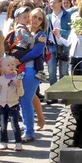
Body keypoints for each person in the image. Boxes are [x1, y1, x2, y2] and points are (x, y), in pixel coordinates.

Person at [18, 8, 47, 142]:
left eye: (39, 18)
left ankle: (29, 132)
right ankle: (40, 120)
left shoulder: (42, 35)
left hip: (32, 70)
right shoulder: (24, 31)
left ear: (42, 22)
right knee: (30, 96)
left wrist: (19, 59)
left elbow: (36, 53)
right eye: (34, 16)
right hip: (20, 70)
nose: (35, 20)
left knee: (25, 100)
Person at [0, 56, 24, 151]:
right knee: (3, 125)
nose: (11, 66)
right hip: (2, 104)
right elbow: (0, 90)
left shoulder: (18, 77)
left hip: (13, 104)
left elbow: (21, 93)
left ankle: (18, 142)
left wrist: (19, 86)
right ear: (3, 68)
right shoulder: (1, 78)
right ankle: (4, 142)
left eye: (12, 64)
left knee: (14, 125)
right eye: (8, 65)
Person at [46, 0, 71, 86]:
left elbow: (71, 31)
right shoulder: (48, 17)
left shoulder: (68, 15)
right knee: (51, 71)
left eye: (54, 2)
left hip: (64, 46)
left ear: (60, 3)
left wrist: (60, 32)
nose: (52, 4)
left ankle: (64, 93)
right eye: (50, 2)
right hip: (52, 46)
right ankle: (53, 94)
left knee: (64, 72)